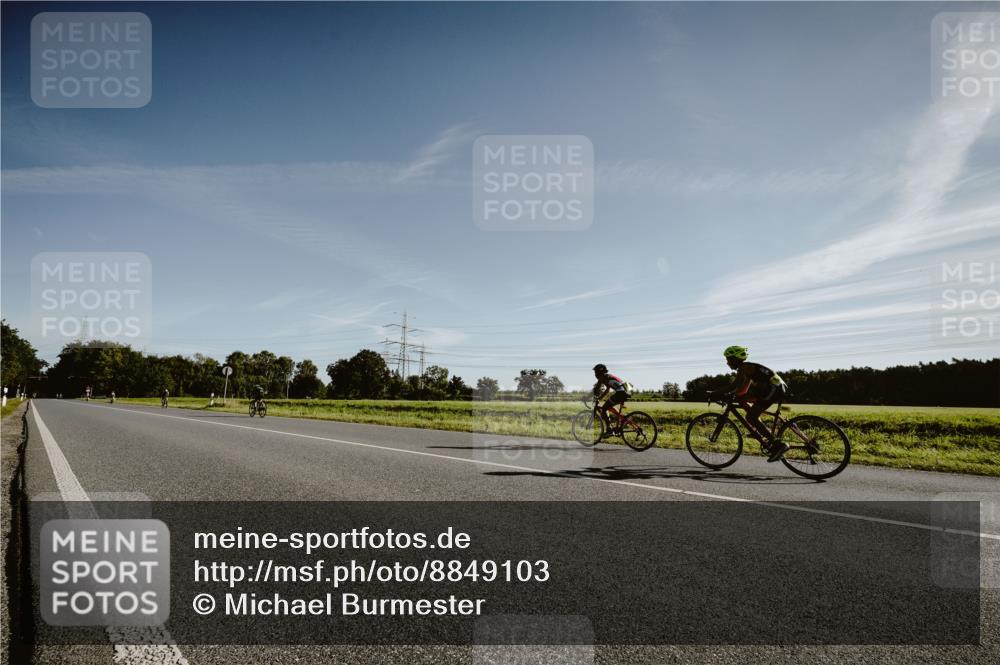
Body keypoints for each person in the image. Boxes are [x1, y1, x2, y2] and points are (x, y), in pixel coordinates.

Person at [710, 346, 789, 462]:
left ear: (736, 359)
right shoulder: (748, 368)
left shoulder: (744, 368)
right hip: (772, 387)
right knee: (742, 400)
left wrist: (714, 393)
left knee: (751, 417)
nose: (727, 362)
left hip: (772, 388)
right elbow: (742, 391)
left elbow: (734, 386)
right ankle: (756, 429)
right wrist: (733, 396)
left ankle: (777, 444)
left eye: (729, 359)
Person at [591, 364, 633, 438]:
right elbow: (607, 390)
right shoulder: (608, 377)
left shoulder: (603, 378)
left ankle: (609, 430)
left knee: (604, 409)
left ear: (599, 373)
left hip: (621, 393)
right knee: (609, 405)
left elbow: (596, 388)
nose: (595, 375)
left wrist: (591, 397)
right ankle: (623, 419)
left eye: (595, 372)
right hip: (627, 391)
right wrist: (600, 398)